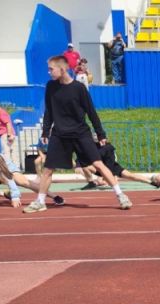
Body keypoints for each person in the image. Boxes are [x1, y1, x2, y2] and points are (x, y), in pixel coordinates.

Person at [24, 56, 131, 213]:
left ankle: (121, 195)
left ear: (63, 69)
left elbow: (91, 112)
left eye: (51, 69)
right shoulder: (51, 86)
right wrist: (45, 131)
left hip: (81, 133)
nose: (49, 72)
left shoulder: (79, 88)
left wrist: (101, 134)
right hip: (59, 135)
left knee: (98, 164)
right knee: (47, 169)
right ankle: (40, 201)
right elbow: (49, 111)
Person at [0, 101, 18, 167]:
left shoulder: (1, 113)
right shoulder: (1, 113)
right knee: (11, 151)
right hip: (7, 134)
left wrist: (9, 135)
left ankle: (9, 167)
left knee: (6, 152)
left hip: (6, 134)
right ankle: (14, 167)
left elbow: (8, 123)